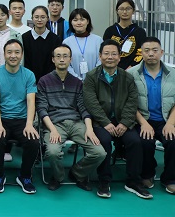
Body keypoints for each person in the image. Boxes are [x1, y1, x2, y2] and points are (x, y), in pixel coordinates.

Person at [83, 39, 151, 199]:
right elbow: (91, 103)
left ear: (119, 57)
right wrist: (106, 123)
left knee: (135, 141)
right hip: (100, 122)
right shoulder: (91, 77)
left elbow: (132, 102)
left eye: (114, 54)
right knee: (104, 141)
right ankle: (104, 181)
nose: (110, 57)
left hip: (122, 121)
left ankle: (133, 181)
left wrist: (125, 123)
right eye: (106, 53)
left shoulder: (127, 77)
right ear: (100, 56)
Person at [37, 44, 106, 191]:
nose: (62, 59)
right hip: (54, 123)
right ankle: (58, 177)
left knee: (99, 153)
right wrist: (52, 130)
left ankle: (77, 173)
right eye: (58, 56)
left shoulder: (77, 82)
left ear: (70, 59)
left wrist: (89, 129)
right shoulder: (44, 81)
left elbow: (84, 108)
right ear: (53, 59)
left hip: (76, 123)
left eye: (65, 56)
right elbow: (42, 109)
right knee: (53, 152)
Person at [0, 39, 39, 194]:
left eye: (17, 52)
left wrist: (29, 124)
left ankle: (25, 176)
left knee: (33, 141)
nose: (13, 55)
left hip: (22, 120)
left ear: (22, 55)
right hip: (1, 118)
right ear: (4, 54)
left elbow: (31, 101)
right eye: (9, 52)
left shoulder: (29, 75)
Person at [130, 37, 175, 194]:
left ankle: (169, 178)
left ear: (161, 52)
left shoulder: (173, 74)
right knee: (145, 141)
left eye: (155, 50)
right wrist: (143, 123)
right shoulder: (131, 74)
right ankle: (147, 174)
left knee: (173, 140)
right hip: (142, 119)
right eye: (147, 51)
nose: (151, 54)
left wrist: (170, 123)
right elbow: (128, 104)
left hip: (166, 119)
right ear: (141, 53)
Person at [103, 0, 147, 70]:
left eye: (128, 9)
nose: (125, 12)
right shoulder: (110, 31)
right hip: (112, 69)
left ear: (133, 11)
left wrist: (131, 68)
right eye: (121, 9)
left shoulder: (140, 32)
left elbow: (141, 52)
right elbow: (105, 51)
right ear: (117, 11)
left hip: (133, 70)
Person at [21, 6, 62, 83]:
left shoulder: (55, 39)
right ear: (32, 18)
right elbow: (24, 61)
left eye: (43, 17)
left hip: (50, 81)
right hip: (28, 81)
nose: (39, 20)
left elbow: (55, 62)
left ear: (47, 18)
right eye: (36, 17)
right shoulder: (24, 38)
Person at [63, 8, 103, 80]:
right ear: (71, 22)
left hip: (95, 80)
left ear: (88, 21)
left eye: (82, 19)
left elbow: (101, 61)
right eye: (75, 20)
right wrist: (77, 79)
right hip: (73, 81)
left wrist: (91, 78)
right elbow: (66, 64)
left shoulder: (98, 40)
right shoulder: (66, 42)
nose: (79, 23)